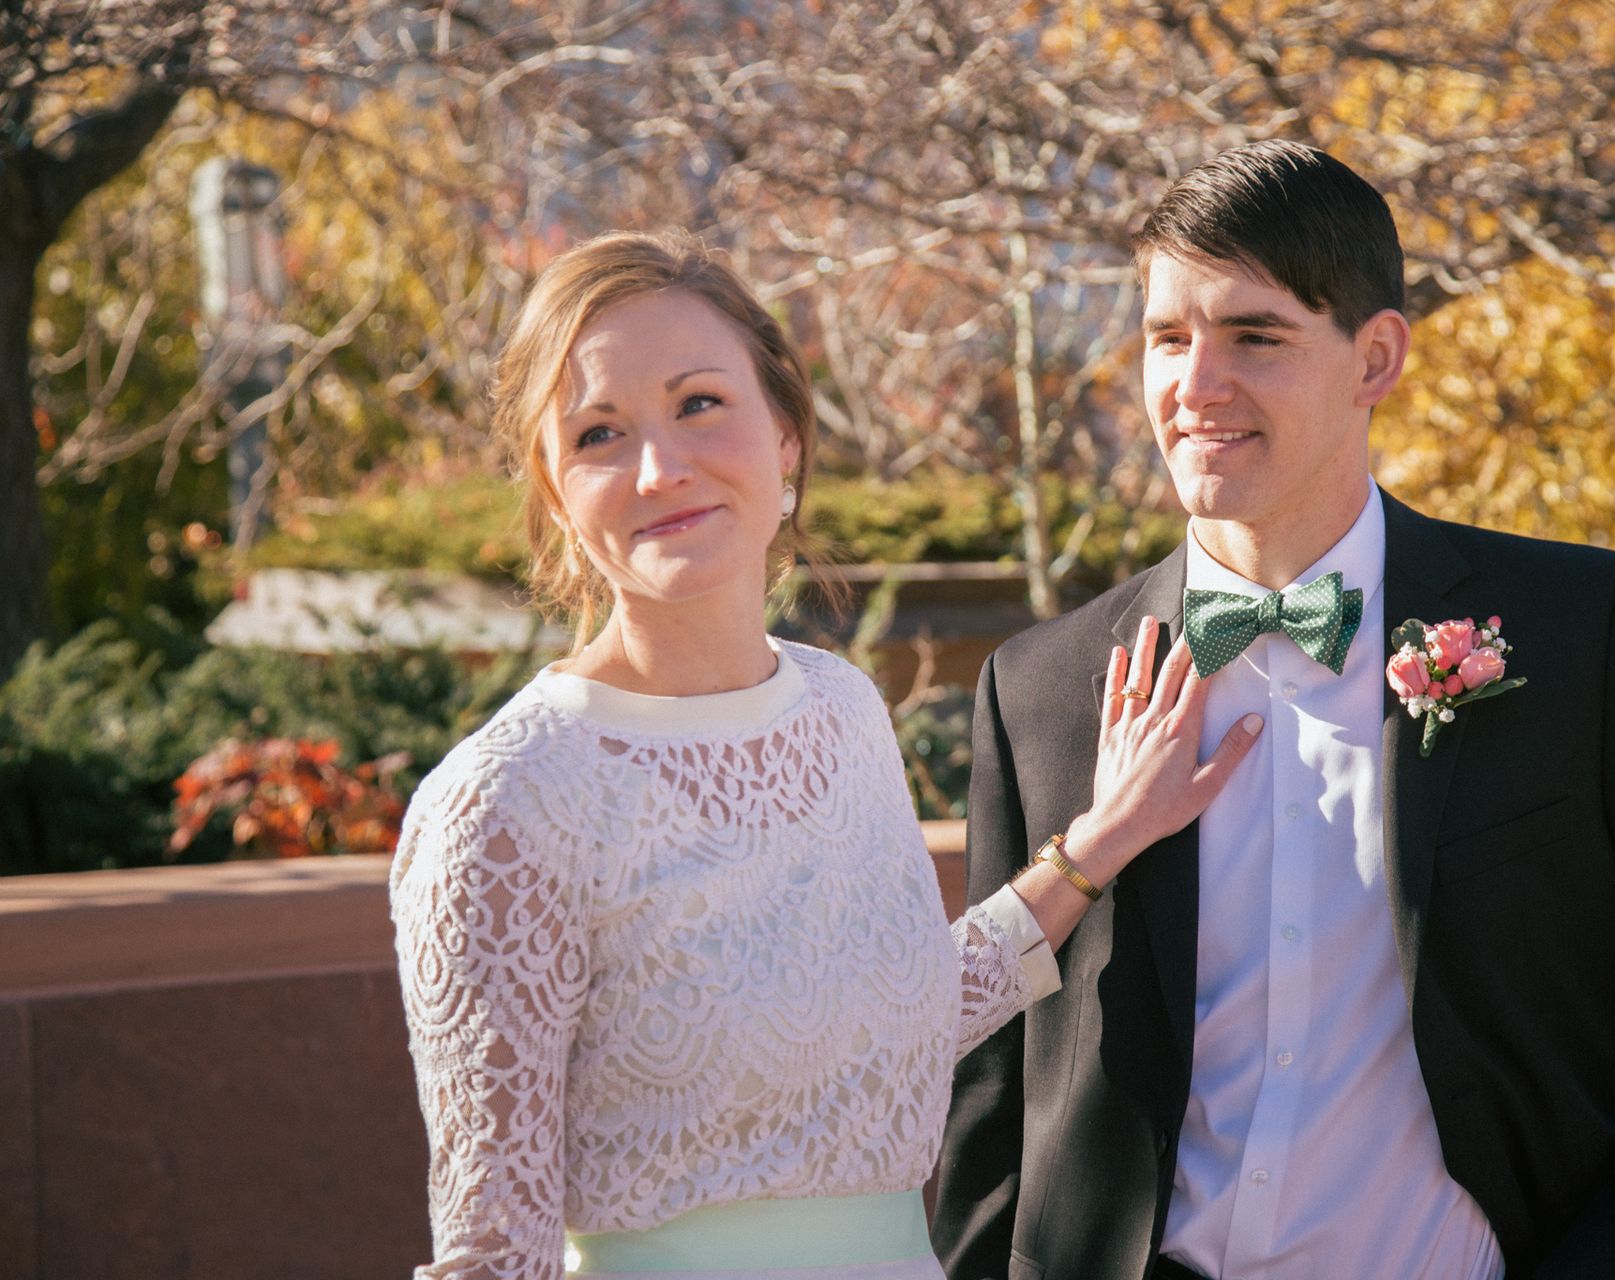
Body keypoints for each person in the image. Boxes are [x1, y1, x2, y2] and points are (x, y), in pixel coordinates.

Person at [933, 141, 1615, 1280]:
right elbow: (986, 1088)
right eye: (1168, 338)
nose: (1195, 384)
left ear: (1376, 357)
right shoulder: (1037, 684)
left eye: (1254, 336)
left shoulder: (1577, 630)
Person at [387, 230, 1262, 1280]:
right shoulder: (508, 801)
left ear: (787, 436)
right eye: (598, 433)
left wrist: (1103, 838)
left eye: (699, 403)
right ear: (554, 485)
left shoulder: (842, 708)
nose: (660, 468)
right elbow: (492, 1254)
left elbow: (896, 1017)